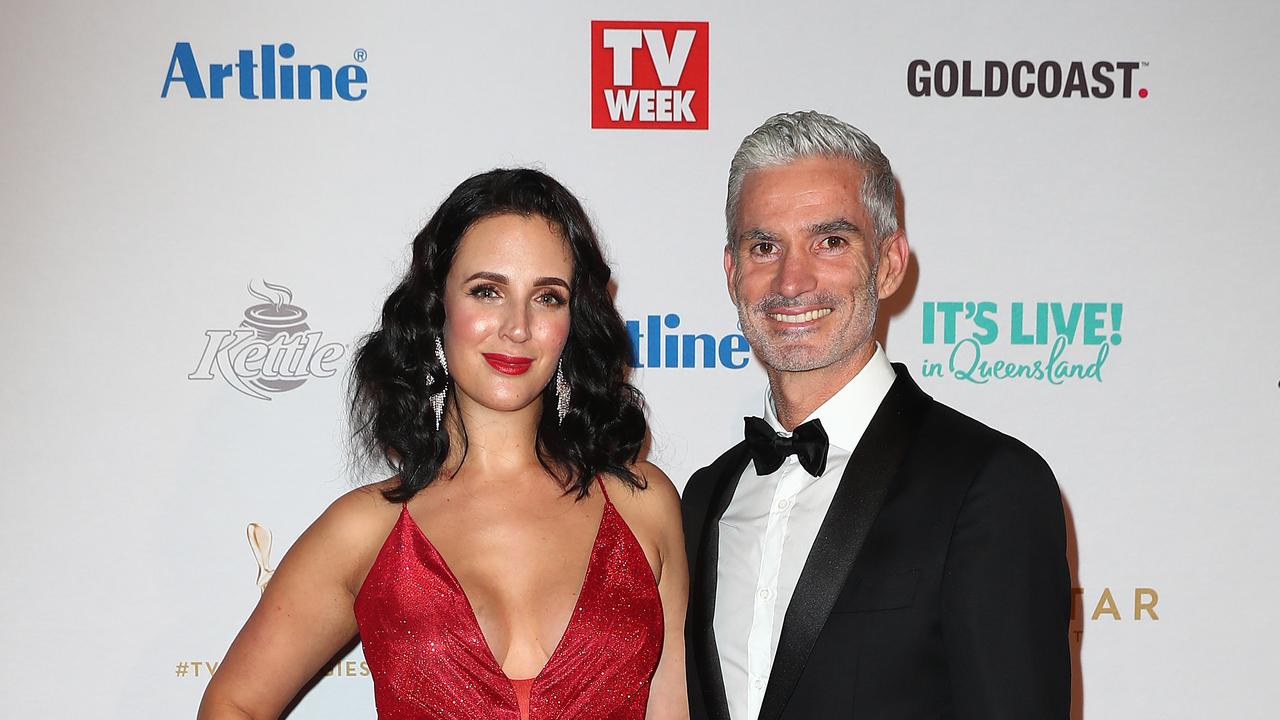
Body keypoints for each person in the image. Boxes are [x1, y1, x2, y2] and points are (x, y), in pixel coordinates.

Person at [199, 169, 689, 720]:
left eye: (547, 298)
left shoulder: (643, 507)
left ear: (573, 321)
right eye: (487, 291)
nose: (518, 326)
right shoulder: (366, 531)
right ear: (437, 309)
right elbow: (233, 703)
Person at [682, 111, 1071, 720]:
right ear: (732, 274)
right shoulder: (704, 497)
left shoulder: (992, 486)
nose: (792, 281)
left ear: (888, 263)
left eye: (830, 241)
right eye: (764, 247)